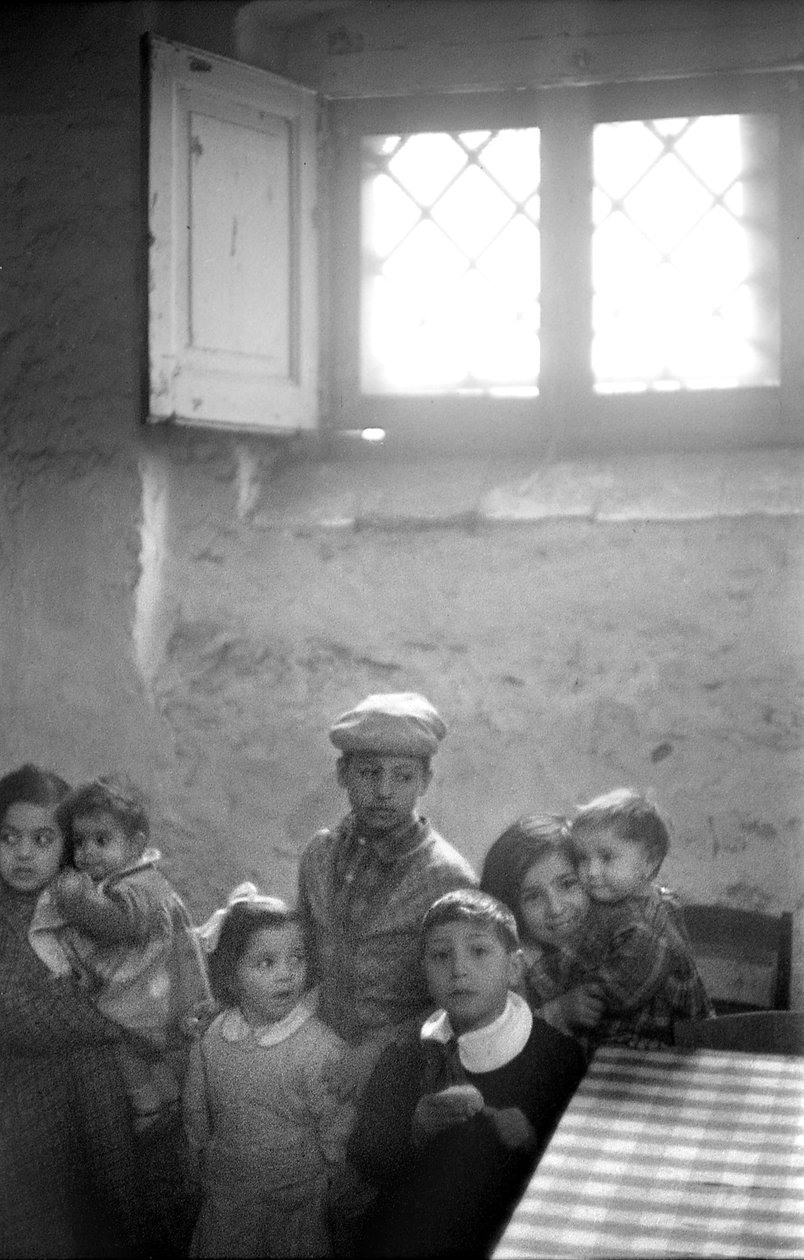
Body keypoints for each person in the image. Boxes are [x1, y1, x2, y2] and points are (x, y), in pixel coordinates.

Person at [344, 888, 586, 1258]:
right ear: (424, 971)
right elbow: (367, 1158)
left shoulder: (555, 1056)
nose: (459, 969)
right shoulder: (404, 1057)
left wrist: (532, 1140)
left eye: (479, 951)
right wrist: (416, 1128)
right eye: (441, 956)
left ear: (514, 968)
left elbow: (577, 1176)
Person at [28, 772, 212, 1254]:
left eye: (102, 840)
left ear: (137, 843)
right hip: (129, 1026)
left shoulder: (142, 886)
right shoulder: (112, 881)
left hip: (149, 1020)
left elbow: (122, 925)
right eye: (80, 843)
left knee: (153, 1125)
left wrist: (74, 898)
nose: (88, 853)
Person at [0, 763, 142, 1258]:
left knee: (111, 1189)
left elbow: (127, 982)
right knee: (31, 1208)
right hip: (18, 1080)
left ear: (66, 848)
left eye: (42, 840)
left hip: (91, 1076)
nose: (22, 853)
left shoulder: (82, 902)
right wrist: (98, 1024)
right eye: (9, 838)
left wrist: (102, 1023)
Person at [297, 692, 478, 1079]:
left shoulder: (448, 878)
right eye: (369, 772)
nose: (384, 790)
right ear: (343, 773)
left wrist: (378, 1052)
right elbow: (304, 955)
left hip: (406, 1066)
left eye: (403, 775)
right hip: (316, 1051)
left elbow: (464, 994)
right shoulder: (319, 854)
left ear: (425, 781)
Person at [184, 884, 355, 1258]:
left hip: (294, 1205)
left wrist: (329, 1181)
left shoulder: (319, 1048)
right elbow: (196, 1107)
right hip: (227, 1196)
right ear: (231, 974)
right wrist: (197, 1156)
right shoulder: (212, 1037)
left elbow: (337, 1125)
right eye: (266, 963)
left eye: (296, 959)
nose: (286, 975)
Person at [568, 787, 714, 1048]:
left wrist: (551, 979)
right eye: (582, 858)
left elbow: (618, 997)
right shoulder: (620, 900)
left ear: (648, 862)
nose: (591, 871)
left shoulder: (645, 926)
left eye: (606, 857)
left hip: (665, 1044)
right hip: (632, 1034)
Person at [480, 813, 607, 1043]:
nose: (556, 908)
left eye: (568, 884)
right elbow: (500, 1038)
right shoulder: (517, 964)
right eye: (533, 897)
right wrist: (559, 1013)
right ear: (510, 905)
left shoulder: (615, 932)